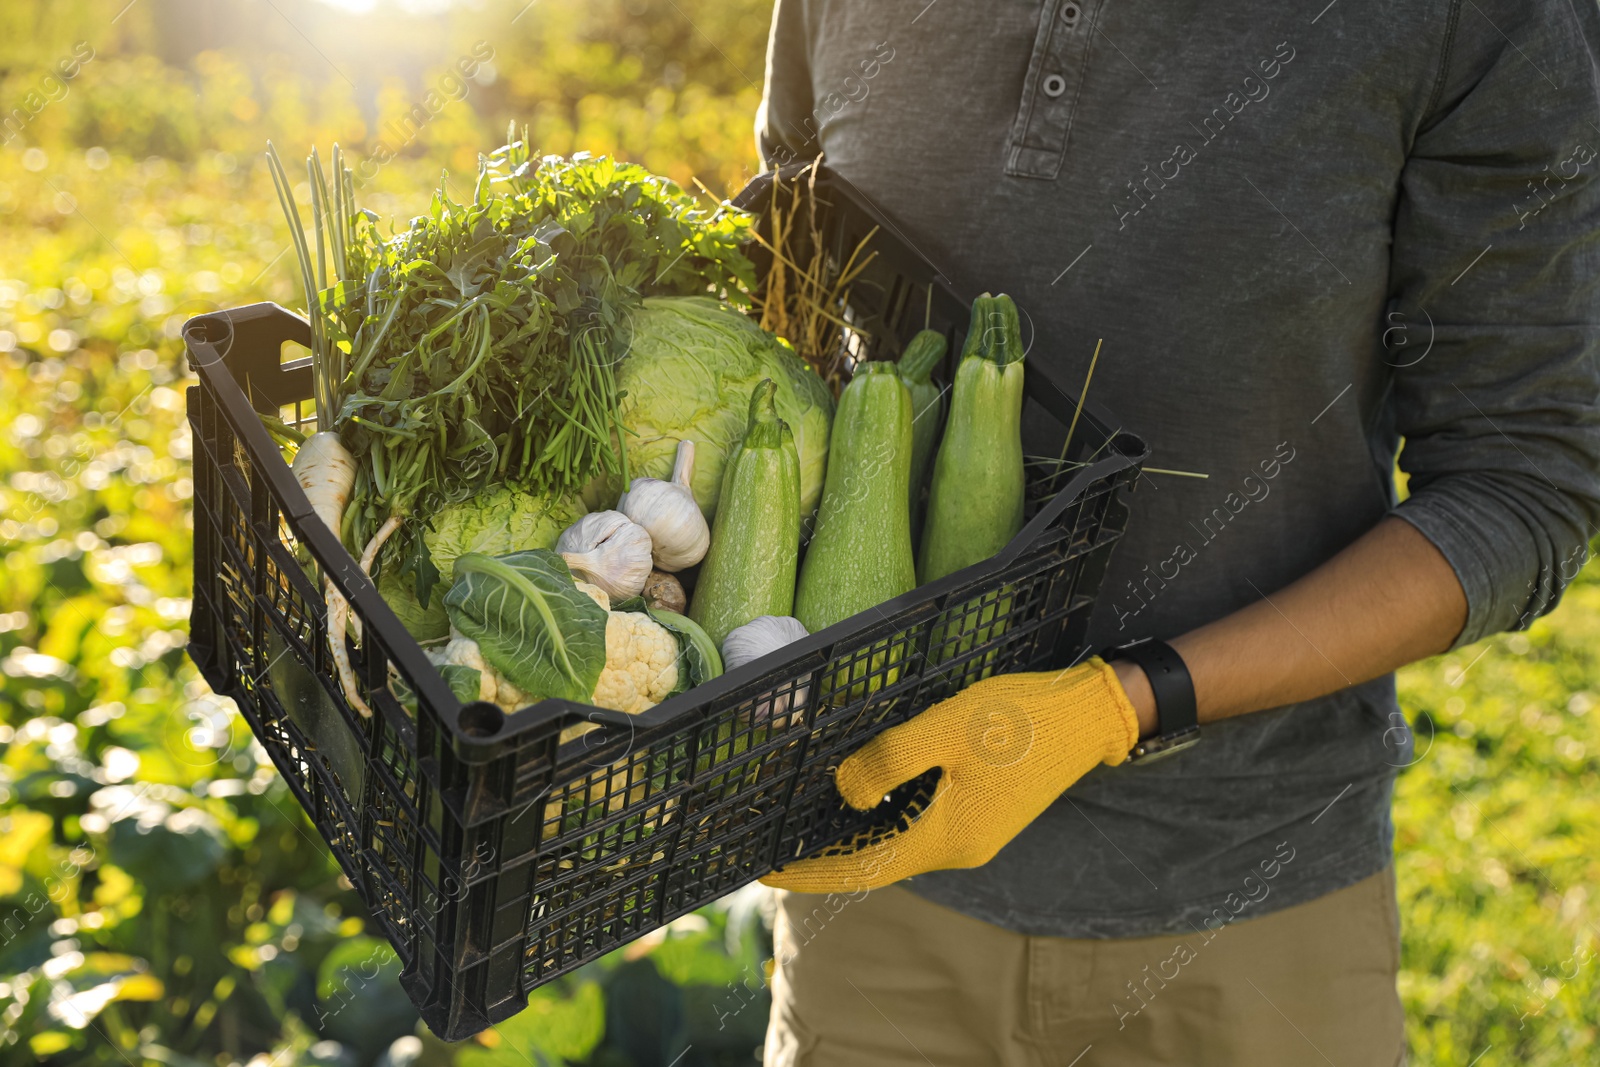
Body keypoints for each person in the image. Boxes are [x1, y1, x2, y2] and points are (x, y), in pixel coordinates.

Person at [752, 1, 1600, 1063]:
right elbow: (790, 302)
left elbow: (1519, 488)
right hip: (876, 887)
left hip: (1247, 922)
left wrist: (1121, 701)